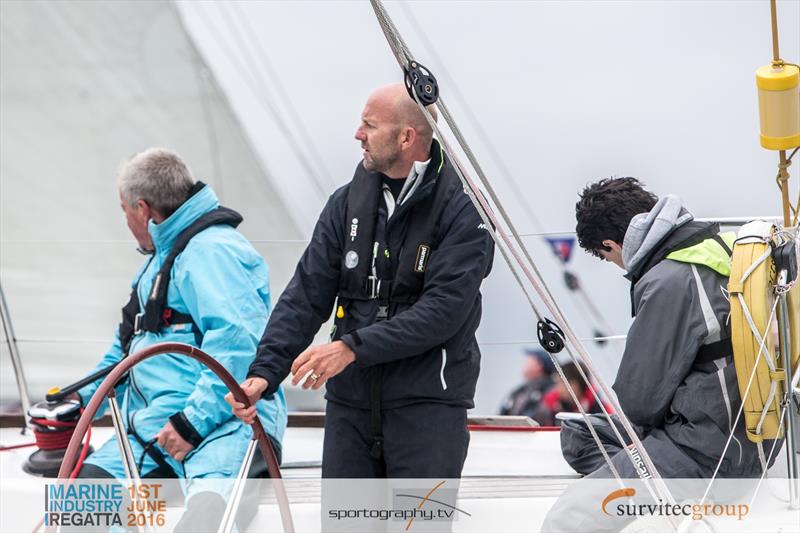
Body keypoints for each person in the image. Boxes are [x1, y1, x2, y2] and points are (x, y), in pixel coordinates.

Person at [226, 83, 495, 479]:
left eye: (369, 125)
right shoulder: (345, 203)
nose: (357, 134)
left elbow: (444, 311)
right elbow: (305, 295)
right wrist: (264, 373)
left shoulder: (463, 208)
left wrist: (350, 348)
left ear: (406, 137)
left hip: (427, 410)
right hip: (349, 410)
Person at [74, 148, 287, 530]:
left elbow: (237, 344)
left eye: (124, 212)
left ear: (142, 209)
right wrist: (77, 404)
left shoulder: (214, 252)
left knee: (205, 522)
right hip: (157, 430)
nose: (126, 221)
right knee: (80, 510)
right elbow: (124, 352)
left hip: (224, 427)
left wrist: (191, 424)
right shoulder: (159, 263)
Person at [542, 177, 765, 532]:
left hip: (712, 453)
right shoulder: (720, 247)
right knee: (580, 435)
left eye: (607, 257)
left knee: (569, 516)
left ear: (613, 244)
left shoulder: (668, 281)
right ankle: (649, 489)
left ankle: (659, 493)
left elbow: (640, 401)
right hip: (749, 433)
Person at [530, 362, 605, 427]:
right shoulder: (549, 406)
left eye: (559, 383)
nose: (556, 388)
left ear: (573, 386)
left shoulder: (601, 412)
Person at [498, 348, 554, 418]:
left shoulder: (550, 390)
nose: (525, 362)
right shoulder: (520, 390)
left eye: (530, 359)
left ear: (539, 365)